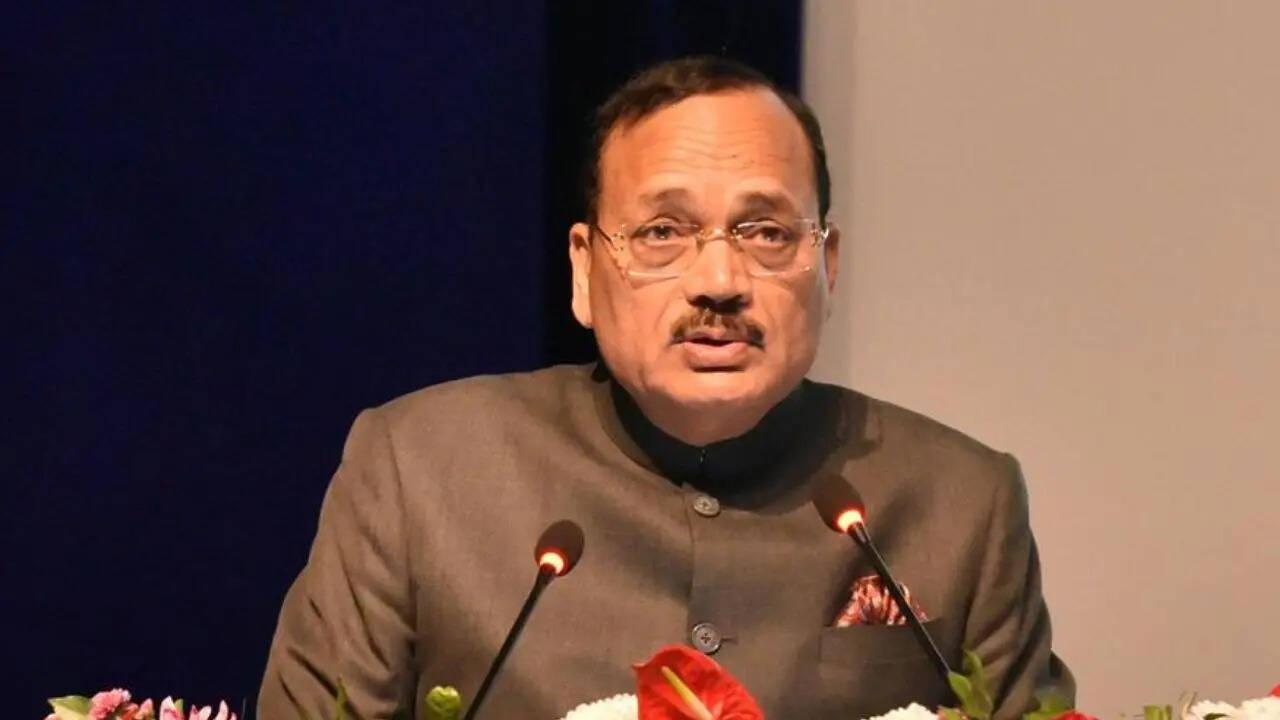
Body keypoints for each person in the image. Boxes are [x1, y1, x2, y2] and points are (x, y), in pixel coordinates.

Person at [258, 56, 1073, 720]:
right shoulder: (419, 472)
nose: (719, 280)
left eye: (765, 232)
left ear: (827, 265)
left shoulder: (963, 504)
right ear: (584, 271)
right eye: (662, 232)